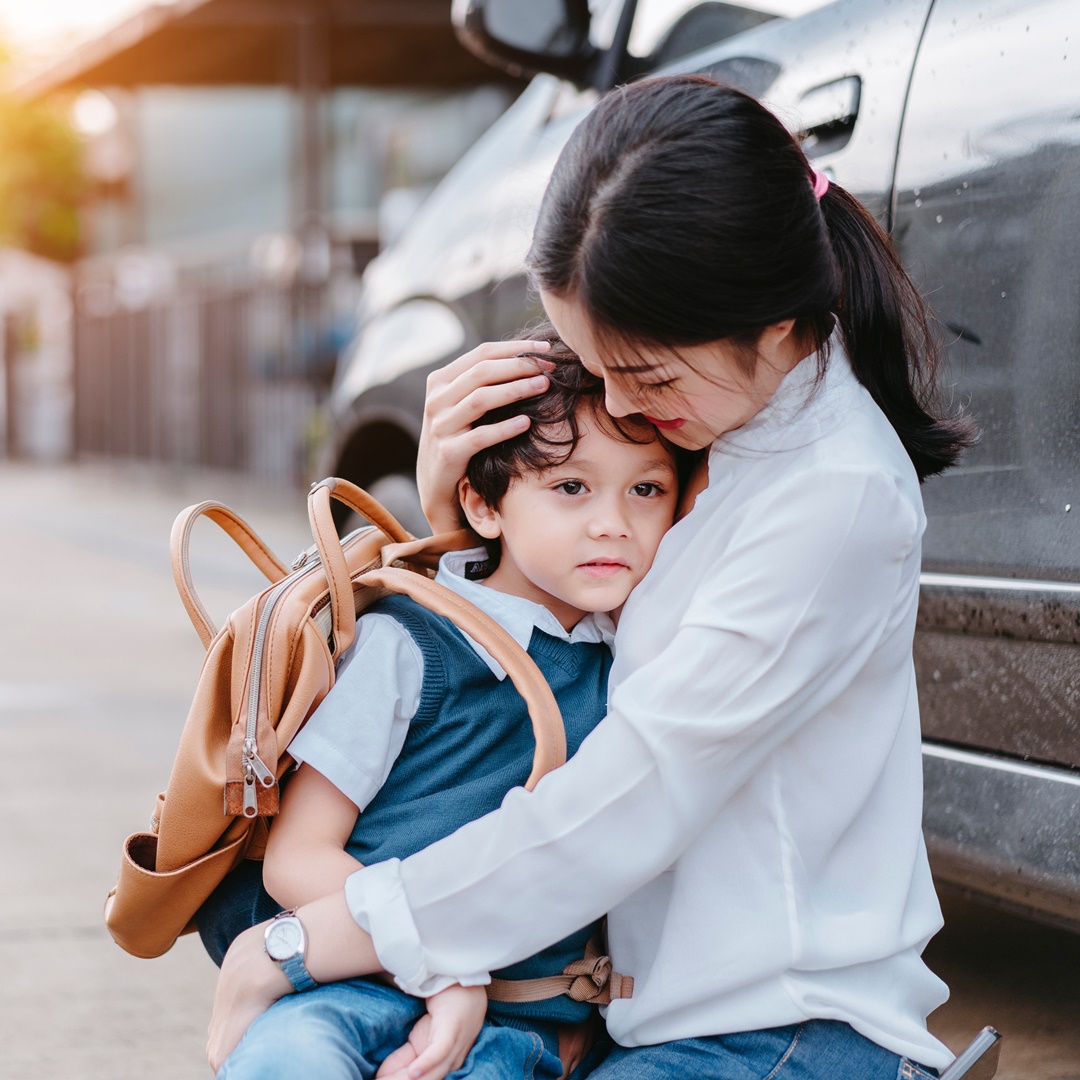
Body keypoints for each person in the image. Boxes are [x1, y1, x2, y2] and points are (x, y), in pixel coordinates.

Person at [208, 75, 976, 1080]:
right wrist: (463, 513)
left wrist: (306, 943)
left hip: (783, 1035)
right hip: (664, 1024)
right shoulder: (722, 438)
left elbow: (626, 801)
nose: (620, 406)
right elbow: (553, 673)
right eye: (590, 363)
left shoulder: (833, 498)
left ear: (782, 325)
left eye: (647, 377)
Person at [213, 339, 681, 1079]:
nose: (612, 523)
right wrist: (435, 967)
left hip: (520, 1026)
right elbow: (297, 858)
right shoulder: (412, 645)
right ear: (482, 504)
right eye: (570, 488)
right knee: (291, 1061)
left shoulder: (635, 661)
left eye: (646, 490)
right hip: (351, 984)